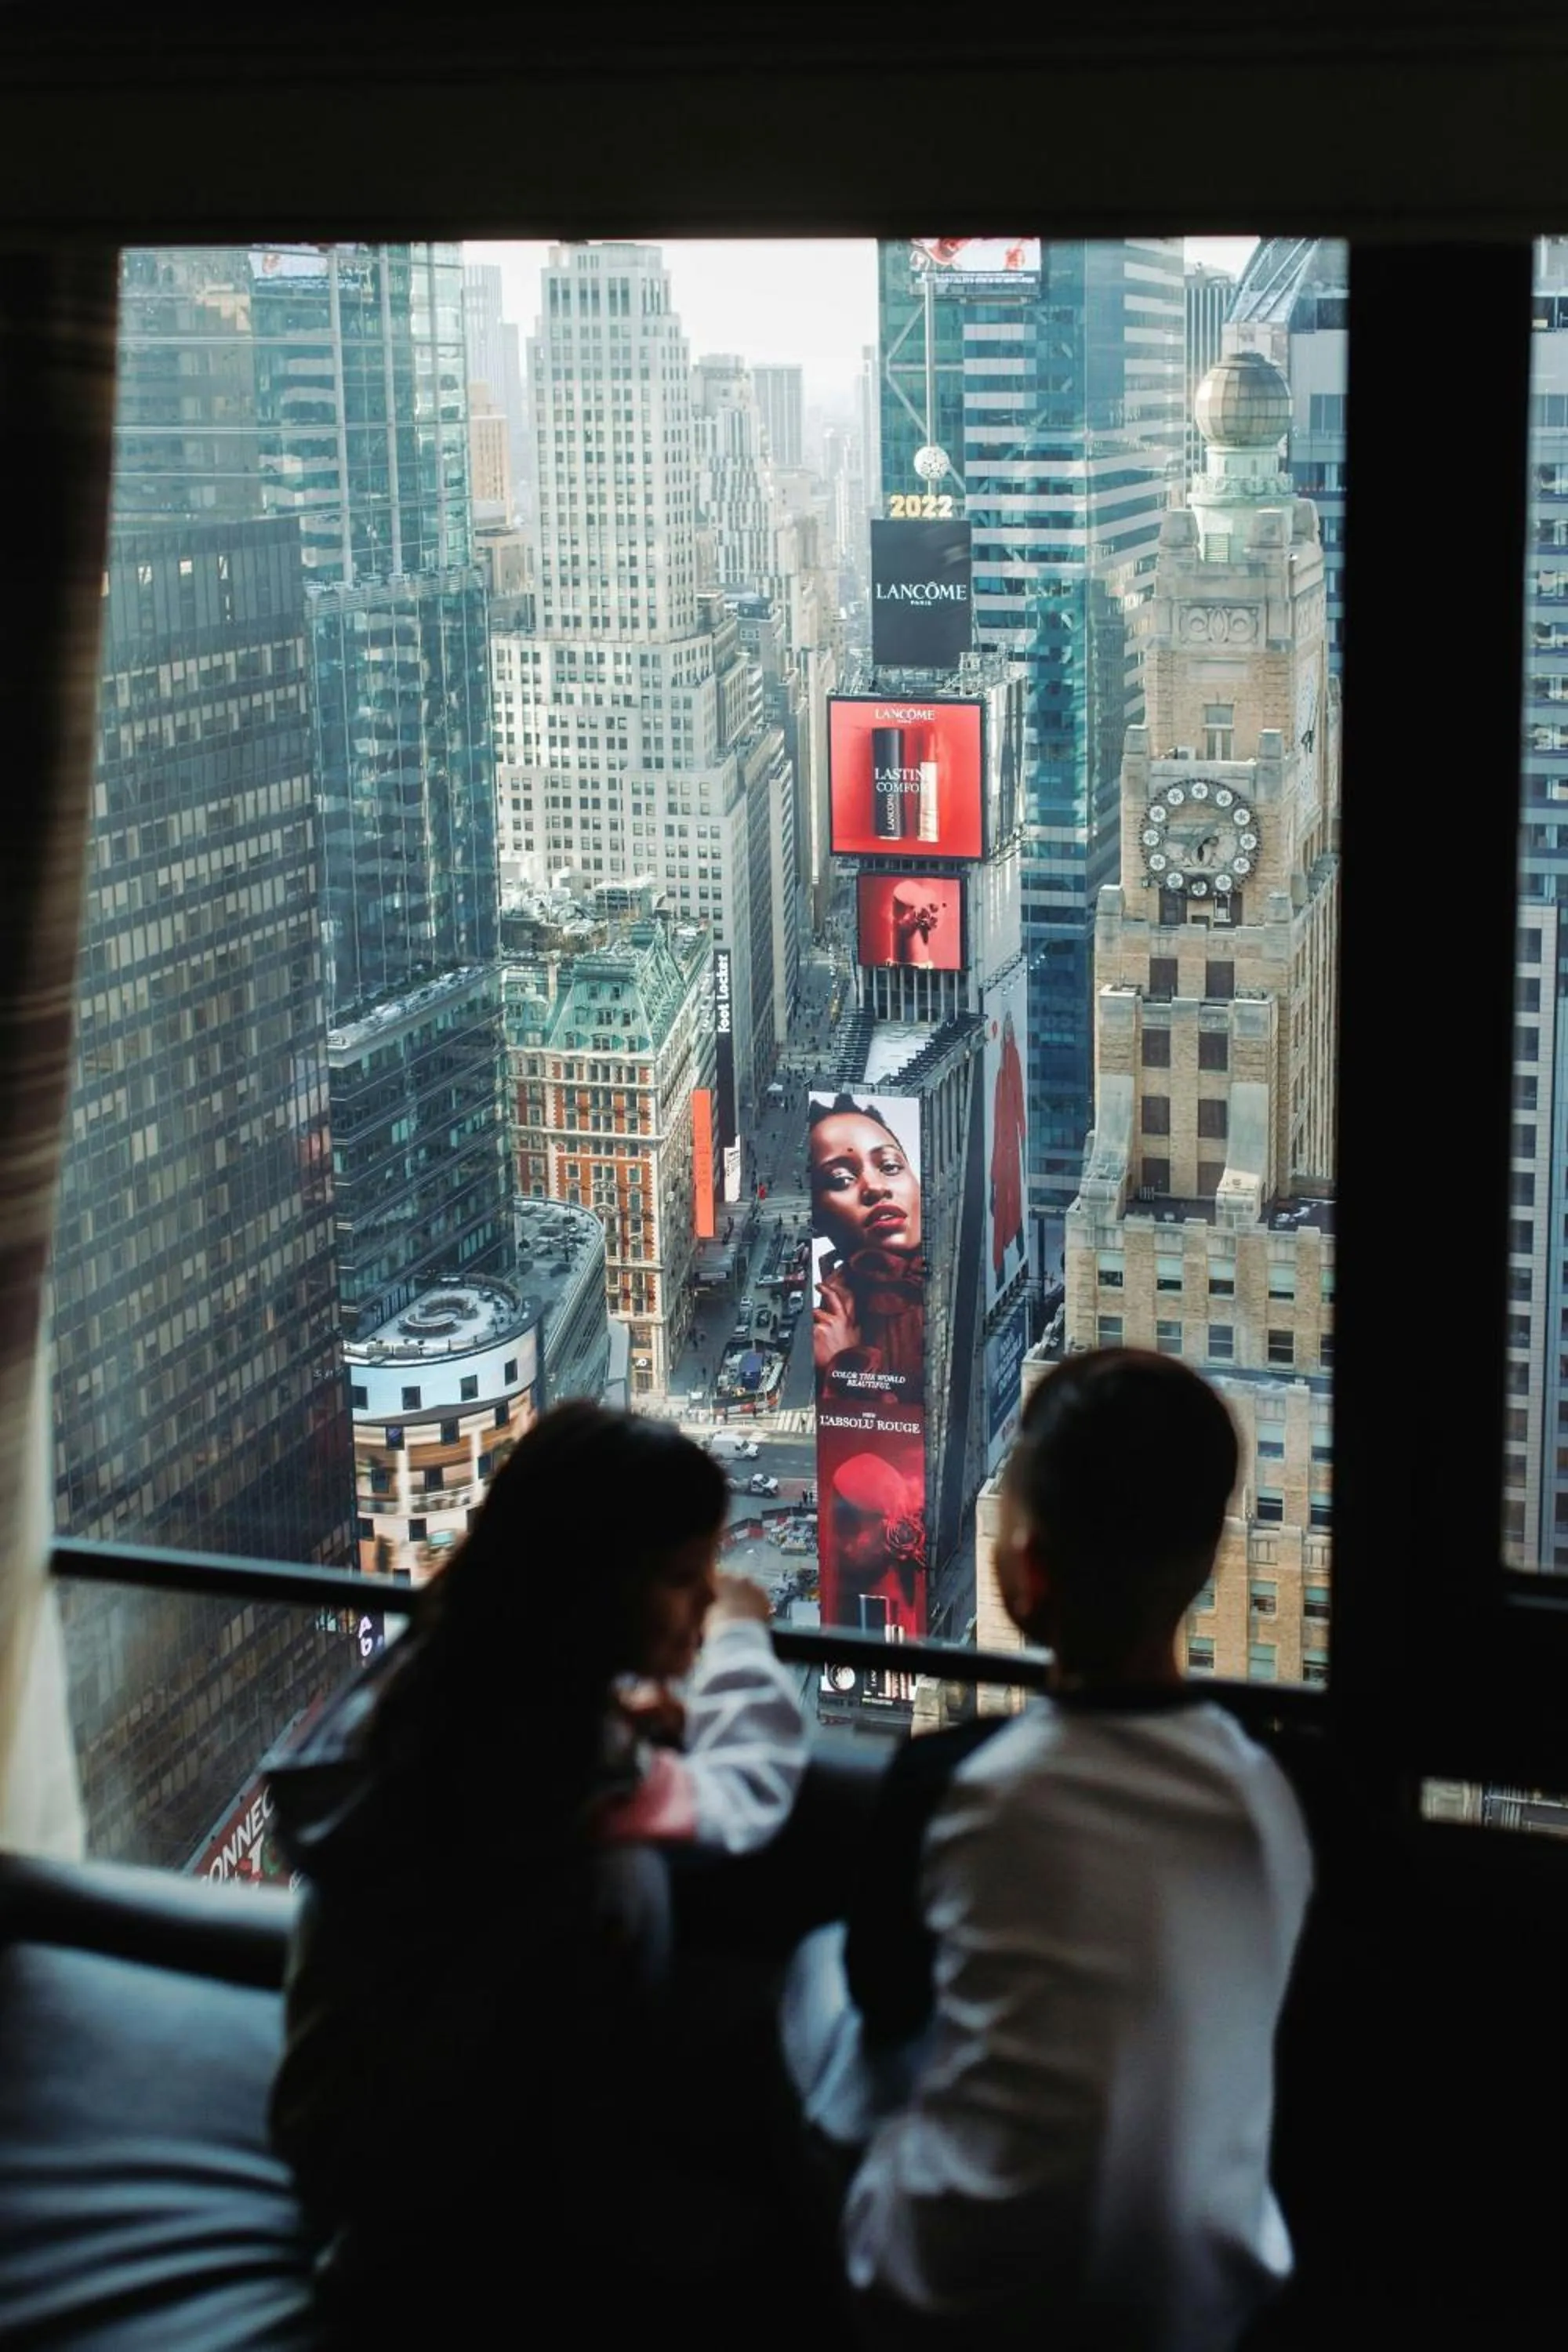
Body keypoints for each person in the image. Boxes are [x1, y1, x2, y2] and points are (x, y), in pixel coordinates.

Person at [784, 1351, 1313, 2351]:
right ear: (1204, 1562)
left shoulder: (953, 1781)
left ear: (1024, 1576)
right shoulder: (1266, 1796)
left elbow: (884, 1997)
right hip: (1200, 2304)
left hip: (953, 2299)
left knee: (817, 1973)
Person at [267, 1403, 808, 2333]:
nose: (704, 1595)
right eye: (684, 1578)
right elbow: (744, 1792)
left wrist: (618, 1709)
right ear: (594, 1592)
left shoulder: (419, 1695)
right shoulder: (566, 1785)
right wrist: (736, 1638)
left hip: (335, 2130)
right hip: (470, 2205)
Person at [808, 1093, 924, 1410]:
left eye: (890, 1166)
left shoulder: (962, 1274)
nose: (874, 1187)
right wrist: (840, 1364)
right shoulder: (834, 1313)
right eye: (841, 1180)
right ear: (816, 1218)